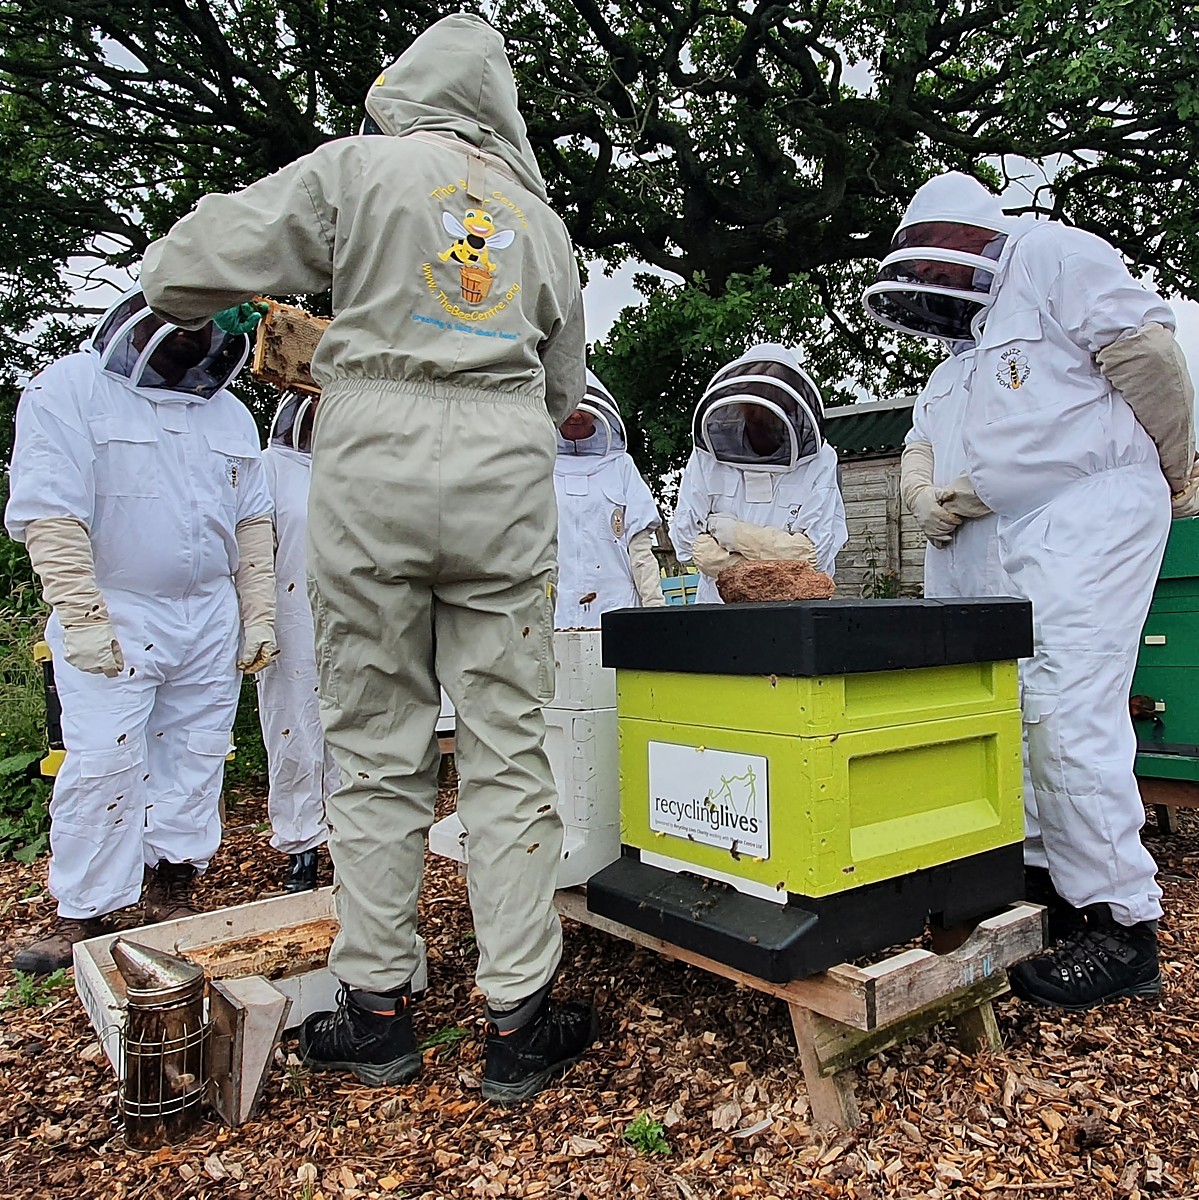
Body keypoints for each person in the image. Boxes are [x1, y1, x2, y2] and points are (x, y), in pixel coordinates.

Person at [138, 13, 594, 1102]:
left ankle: (377, 1013)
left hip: (371, 464)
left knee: (379, 747)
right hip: (500, 471)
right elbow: (566, 395)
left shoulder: (356, 170)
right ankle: (519, 1019)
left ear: (408, 91)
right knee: (507, 751)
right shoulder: (538, 222)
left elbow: (175, 273)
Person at [863, 169, 1199, 1010]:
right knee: (1008, 711)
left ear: (975, 238)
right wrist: (924, 501)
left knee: (1065, 712)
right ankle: (1051, 890)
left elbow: (1149, 358)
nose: (937, 289)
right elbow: (939, 447)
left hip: (1088, 513)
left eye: (945, 269)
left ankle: (1123, 927)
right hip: (1015, 532)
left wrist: (1171, 469)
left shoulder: (1053, 255)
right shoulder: (960, 353)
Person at [6, 287, 276, 973]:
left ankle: (173, 886)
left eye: (204, 333)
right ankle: (84, 912)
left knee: (196, 750)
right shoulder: (68, 388)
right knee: (102, 758)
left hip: (209, 612)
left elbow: (252, 521)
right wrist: (82, 614)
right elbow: (50, 511)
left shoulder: (231, 414)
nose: (193, 344)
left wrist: (260, 612)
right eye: (180, 330)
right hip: (116, 604)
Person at [669, 344, 848, 602]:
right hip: (717, 611)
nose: (761, 417)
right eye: (755, 409)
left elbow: (814, 557)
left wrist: (731, 534)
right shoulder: (707, 456)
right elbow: (685, 542)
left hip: (794, 616)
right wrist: (778, 555)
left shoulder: (820, 460)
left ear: (790, 406)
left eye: (771, 408)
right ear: (740, 405)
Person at [257, 392, 338, 893]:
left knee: (353, 733)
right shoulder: (269, 468)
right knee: (294, 730)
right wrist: (256, 621)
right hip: (289, 618)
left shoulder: (355, 469)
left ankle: (352, 843)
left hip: (352, 617)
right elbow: (252, 548)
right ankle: (301, 845)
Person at [555, 370, 665, 626]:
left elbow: (640, 547)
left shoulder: (621, 466)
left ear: (599, 410)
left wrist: (656, 612)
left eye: (584, 407)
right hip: (555, 605)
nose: (575, 415)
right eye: (568, 405)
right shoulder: (540, 464)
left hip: (616, 604)